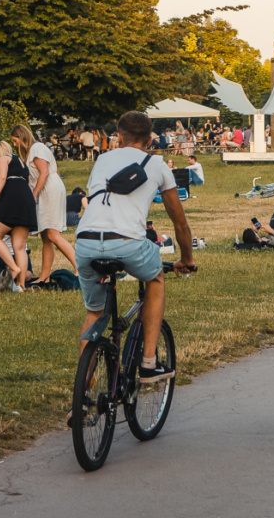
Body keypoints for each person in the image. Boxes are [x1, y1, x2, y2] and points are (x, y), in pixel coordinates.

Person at [74, 110, 195, 391]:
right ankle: (149, 363)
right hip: (127, 241)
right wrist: (186, 259)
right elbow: (180, 223)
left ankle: (83, 391)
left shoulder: (102, 160)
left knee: (94, 312)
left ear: (118, 136)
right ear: (150, 139)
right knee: (155, 280)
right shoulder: (157, 166)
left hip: (86, 241)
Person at [11, 124, 76, 283]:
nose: (14, 144)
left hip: (49, 190)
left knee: (53, 234)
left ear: (22, 137)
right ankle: (44, 277)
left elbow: (44, 172)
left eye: (15, 140)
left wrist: (34, 194)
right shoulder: (30, 153)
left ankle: (80, 268)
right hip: (44, 191)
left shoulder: (37, 147)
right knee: (46, 236)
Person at [0, 141, 38, 291]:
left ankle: (14, 268)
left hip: (13, 199)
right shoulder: (22, 163)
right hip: (27, 201)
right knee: (19, 247)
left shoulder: (3, 159)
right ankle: (20, 285)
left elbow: (2, 178)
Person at [0, 197, 32, 282]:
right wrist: (1, 227)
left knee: (27, 276)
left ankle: (5, 277)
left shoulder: (21, 205)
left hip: (17, 251)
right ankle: (7, 276)